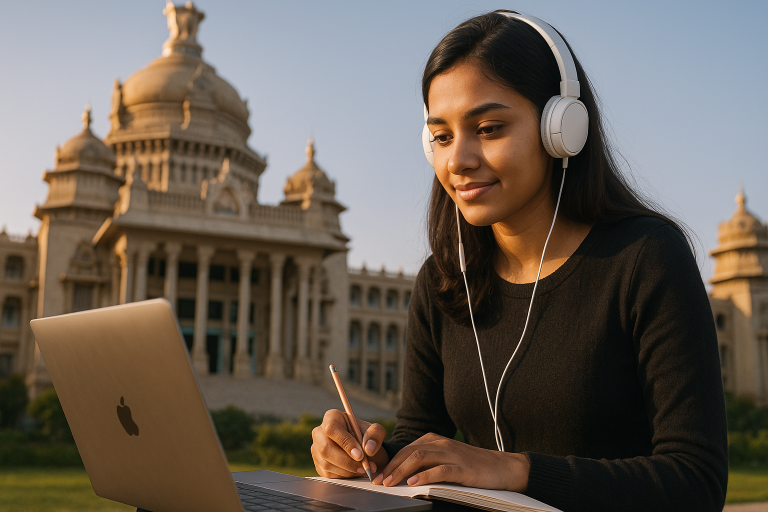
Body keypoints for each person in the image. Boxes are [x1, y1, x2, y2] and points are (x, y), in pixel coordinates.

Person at [310, 10, 728, 512]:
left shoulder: (645, 258)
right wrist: (372, 457)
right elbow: (423, 439)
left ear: (562, 129)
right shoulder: (444, 279)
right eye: (441, 136)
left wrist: (517, 471)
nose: (457, 159)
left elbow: (696, 481)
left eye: (488, 128)